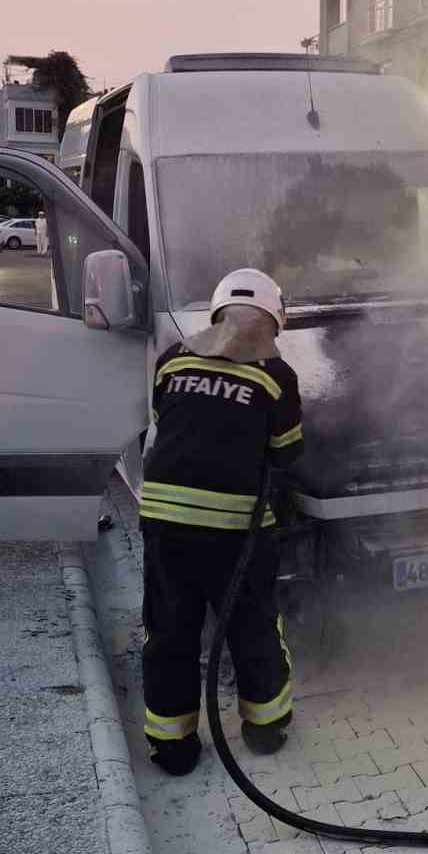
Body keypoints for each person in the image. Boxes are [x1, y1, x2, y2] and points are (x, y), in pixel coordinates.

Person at [140, 268, 302, 775]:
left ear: (217, 315)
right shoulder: (276, 378)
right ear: (272, 323)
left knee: (170, 630)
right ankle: (264, 728)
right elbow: (287, 453)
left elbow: (168, 423)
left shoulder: (171, 362)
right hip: (236, 531)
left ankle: (173, 747)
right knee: (252, 625)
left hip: (164, 523)